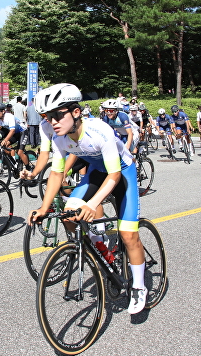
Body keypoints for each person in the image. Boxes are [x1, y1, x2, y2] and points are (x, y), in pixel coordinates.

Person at [27, 83, 147, 314]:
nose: (52, 122)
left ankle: (139, 287)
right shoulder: (59, 138)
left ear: (76, 111)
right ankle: (101, 247)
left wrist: (93, 204)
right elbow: (56, 173)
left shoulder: (100, 130)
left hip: (122, 173)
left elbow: (114, 175)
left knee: (128, 234)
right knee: (69, 214)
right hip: (95, 171)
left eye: (57, 115)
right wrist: (43, 208)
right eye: (48, 117)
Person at [0, 103, 31, 171]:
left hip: (23, 132)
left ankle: (29, 168)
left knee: (19, 152)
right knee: (5, 146)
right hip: (15, 134)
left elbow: (12, 131)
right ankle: (13, 163)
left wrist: (5, 140)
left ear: (3, 111)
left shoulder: (9, 116)